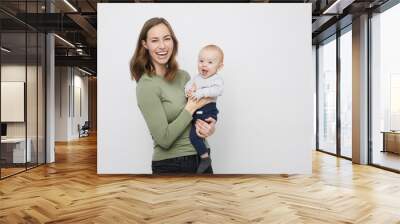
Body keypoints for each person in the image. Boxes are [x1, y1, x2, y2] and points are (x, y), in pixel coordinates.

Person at [130, 17, 217, 174]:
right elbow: (163, 139)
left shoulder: (184, 76)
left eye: (167, 39)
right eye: (155, 40)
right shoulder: (146, 86)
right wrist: (190, 108)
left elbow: (200, 113)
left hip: (203, 157)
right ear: (145, 44)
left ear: (173, 42)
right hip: (172, 164)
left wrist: (208, 128)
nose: (162, 46)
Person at [184, 45, 224, 173]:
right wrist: (188, 91)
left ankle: (205, 158)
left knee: (195, 136)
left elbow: (218, 90)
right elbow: (188, 86)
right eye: (201, 61)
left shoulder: (216, 79)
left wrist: (201, 93)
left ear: (219, 66)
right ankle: (204, 157)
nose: (204, 65)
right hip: (196, 112)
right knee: (189, 131)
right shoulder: (196, 78)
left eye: (210, 62)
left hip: (208, 111)